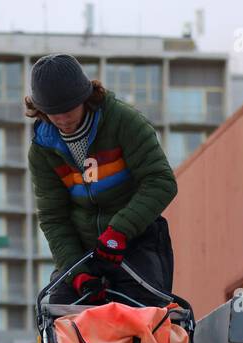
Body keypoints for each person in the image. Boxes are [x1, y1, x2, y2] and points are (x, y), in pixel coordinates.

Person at [26, 54, 178, 308]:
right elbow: (54, 218)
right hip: (82, 250)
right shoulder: (42, 150)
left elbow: (161, 181)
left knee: (142, 320)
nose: (62, 119)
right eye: (53, 113)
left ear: (85, 97)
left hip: (136, 241)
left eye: (68, 109)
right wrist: (78, 273)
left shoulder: (124, 122)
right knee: (59, 317)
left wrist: (119, 231)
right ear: (41, 111)